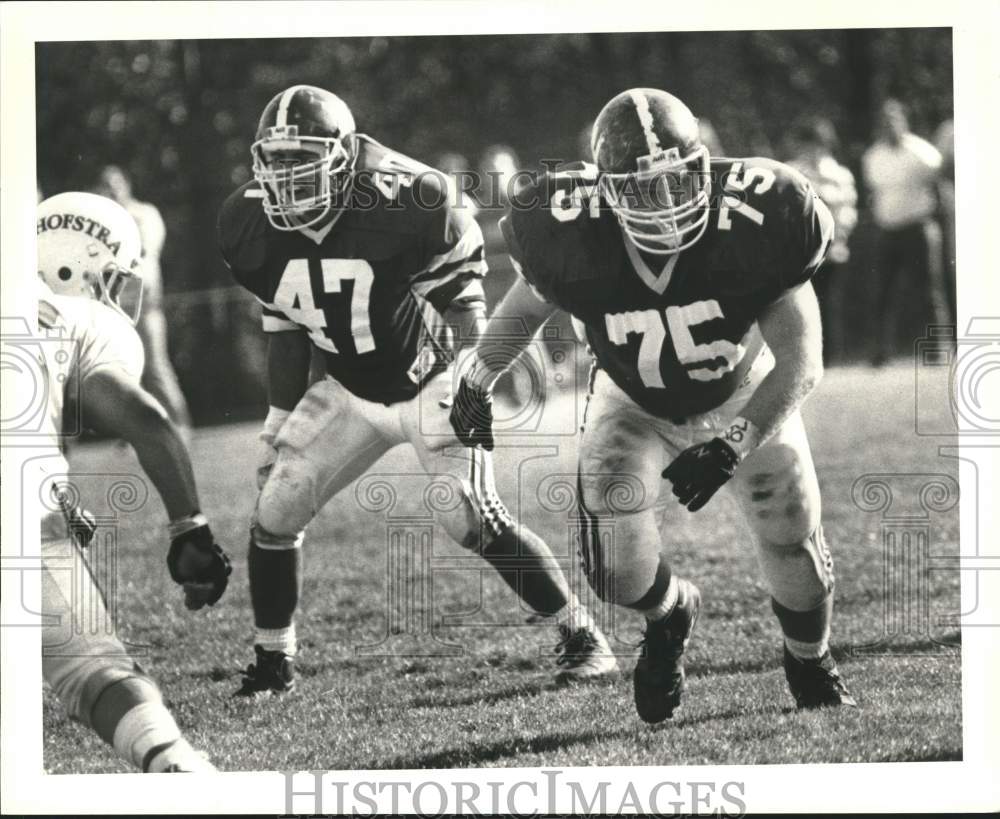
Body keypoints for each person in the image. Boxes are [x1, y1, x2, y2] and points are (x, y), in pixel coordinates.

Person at [449, 87, 856, 723]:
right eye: (642, 190)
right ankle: (670, 614)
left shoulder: (761, 216)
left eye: (679, 180)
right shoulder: (569, 228)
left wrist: (733, 443)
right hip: (632, 399)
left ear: (705, 166)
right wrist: (477, 375)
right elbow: (527, 306)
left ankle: (810, 659)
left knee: (790, 528)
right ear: (606, 192)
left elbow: (802, 359)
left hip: (743, 389)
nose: (666, 201)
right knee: (613, 573)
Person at [218, 84, 617, 697]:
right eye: (278, 161)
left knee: (467, 514)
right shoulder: (247, 220)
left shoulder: (411, 199)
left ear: (344, 157)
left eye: (304, 160)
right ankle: (274, 662)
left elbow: (464, 308)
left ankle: (583, 636)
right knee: (275, 512)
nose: (289, 177)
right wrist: (277, 424)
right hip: (349, 390)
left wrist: (470, 386)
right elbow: (286, 330)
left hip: (429, 376)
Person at [33, 191, 232, 771]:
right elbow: (147, 420)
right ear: (81, 269)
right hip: (18, 516)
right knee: (92, 670)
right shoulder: (83, 318)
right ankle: (175, 766)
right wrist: (190, 528)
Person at [95, 165, 193, 437]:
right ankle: (135, 434)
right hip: (115, 307)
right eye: (105, 185)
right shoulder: (104, 218)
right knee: (123, 372)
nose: (111, 190)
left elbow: (144, 249)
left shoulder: (144, 213)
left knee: (156, 368)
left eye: (115, 184)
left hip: (145, 304)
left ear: (126, 184)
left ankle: (181, 426)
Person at [861, 100, 948, 365]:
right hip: (887, 230)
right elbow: (874, 191)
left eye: (894, 120)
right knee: (881, 293)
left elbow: (939, 184)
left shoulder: (923, 152)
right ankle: (880, 352)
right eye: (884, 122)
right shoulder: (873, 156)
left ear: (903, 121)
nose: (889, 126)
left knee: (927, 292)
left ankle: (935, 350)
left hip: (917, 228)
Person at [787, 116, 858, 364]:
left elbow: (847, 211)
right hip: (800, 249)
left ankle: (830, 356)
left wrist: (838, 239)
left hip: (831, 246)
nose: (812, 149)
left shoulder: (839, 174)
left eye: (817, 143)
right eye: (807, 143)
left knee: (828, 302)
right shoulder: (790, 170)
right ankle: (805, 355)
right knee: (801, 303)